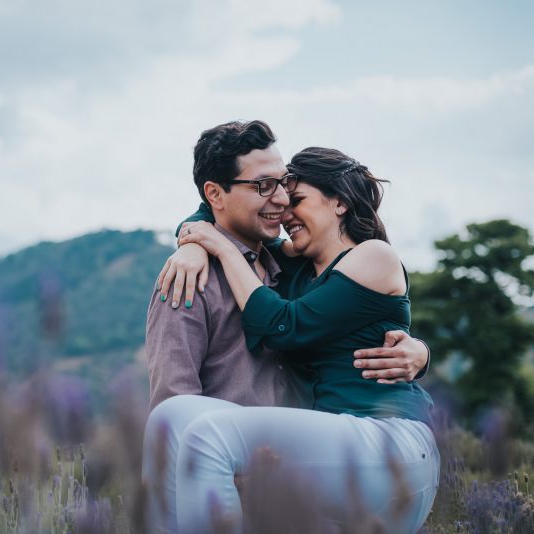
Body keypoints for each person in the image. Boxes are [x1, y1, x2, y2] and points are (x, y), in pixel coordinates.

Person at [142, 121, 434, 533]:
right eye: (269, 188)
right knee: (170, 419)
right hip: (289, 466)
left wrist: (419, 353)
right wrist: (193, 240)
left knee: (207, 437)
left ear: (339, 204)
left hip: (377, 445)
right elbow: (214, 210)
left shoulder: (360, 257)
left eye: (290, 192)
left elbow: (285, 326)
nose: (282, 204)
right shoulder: (271, 269)